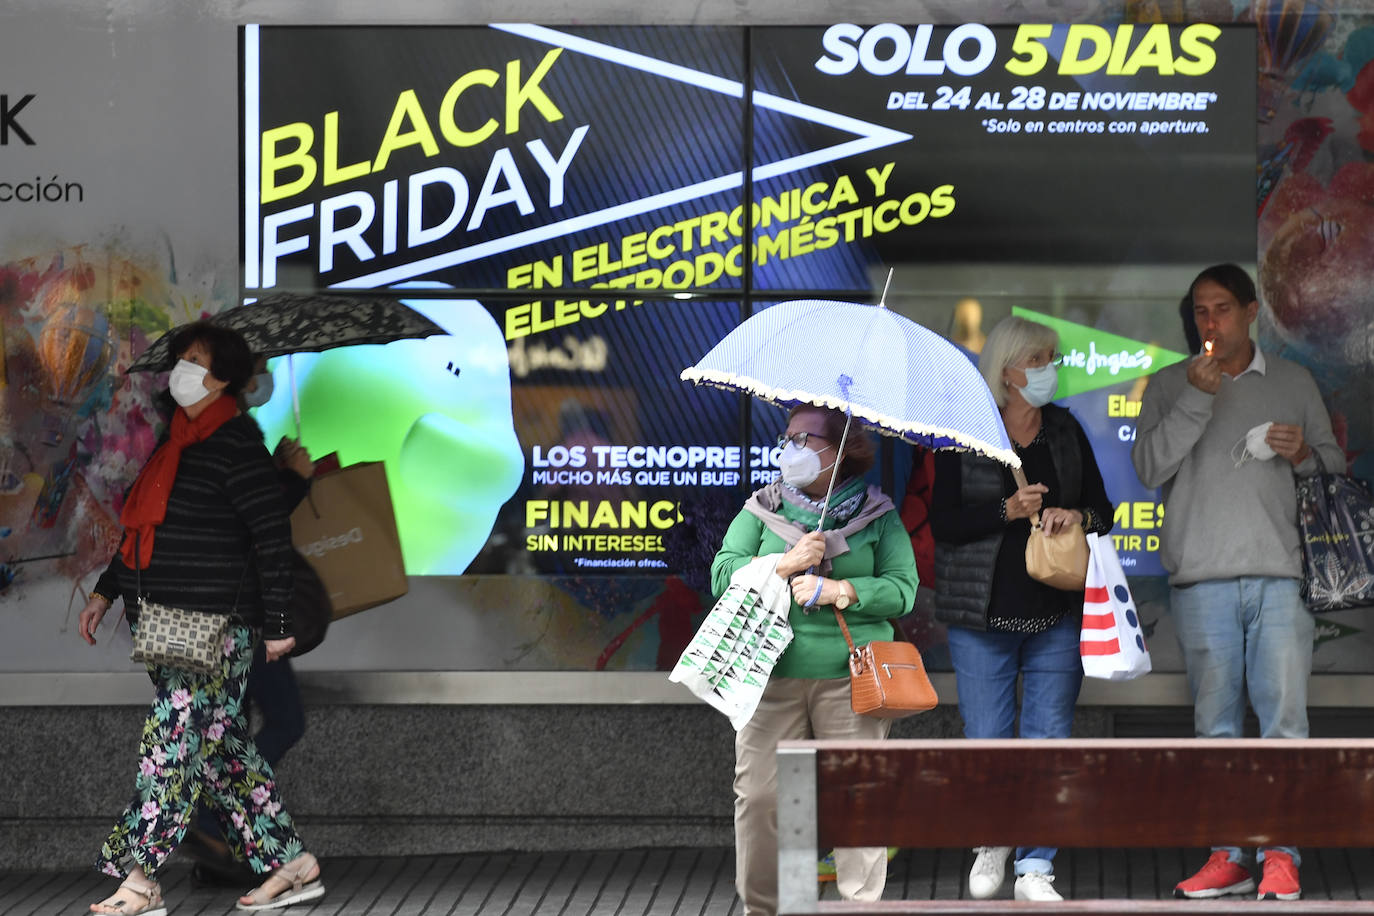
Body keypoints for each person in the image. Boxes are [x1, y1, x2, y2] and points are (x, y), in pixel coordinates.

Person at [78, 322, 324, 914]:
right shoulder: (177, 445)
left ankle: (140, 880)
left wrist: (279, 623)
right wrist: (105, 593)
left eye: (198, 361)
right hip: (167, 623)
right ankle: (291, 866)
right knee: (224, 753)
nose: (183, 371)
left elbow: (269, 536)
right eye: (183, 359)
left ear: (228, 380)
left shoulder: (236, 445)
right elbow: (145, 530)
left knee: (171, 743)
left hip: (214, 628)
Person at [1132, 264, 1342, 902]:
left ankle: (1281, 854)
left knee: (1284, 726)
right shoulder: (1171, 384)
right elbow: (1147, 468)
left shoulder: (1292, 380)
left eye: (1222, 309)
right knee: (1215, 728)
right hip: (1202, 582)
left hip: (1281, 579)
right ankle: (1229, 854)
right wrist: (1198, 396)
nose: (1209, 322)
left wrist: (1303, 453)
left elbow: (1333, 470)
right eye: (1200, 311)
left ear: (1253, 313)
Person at [930, 315, 1114, 903]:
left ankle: (1036, 863)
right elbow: (944, 525)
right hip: (981, 618)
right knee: (987, 737)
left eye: (1051, 359)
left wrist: (1074, 517)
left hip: (1056, 613)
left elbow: (1103, 512)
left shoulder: (1065, 430)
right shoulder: (966, 433)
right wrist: (1004, 512)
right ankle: (992, 842)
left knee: (1047, 739)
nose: (1048, 371)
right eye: (1039, 360)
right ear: (1008, 370)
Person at [713, 404, 917, 916]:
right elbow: (722, 574)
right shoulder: (762, 507)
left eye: (805, 440)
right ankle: (765, 909)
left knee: (858, 802)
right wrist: (784, 564)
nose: (791, 449)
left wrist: (842, 589)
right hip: (771, 676)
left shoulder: (878, 514)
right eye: (788, 438)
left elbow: (903, 589)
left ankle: (859, 908)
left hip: (851, 680)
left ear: (840, 452)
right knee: (759, 798)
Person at [183, 356, 317, 885]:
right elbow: (252, 520)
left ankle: (220, 853)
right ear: (236, 381)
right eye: (258, 368)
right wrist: (296, 482)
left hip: (220, 608)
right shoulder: (229, 435)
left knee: (231, 730)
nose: (265, 377)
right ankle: (210, 819)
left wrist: (280, 468)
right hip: (243, 609)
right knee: (285, 720)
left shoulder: (209, 432)